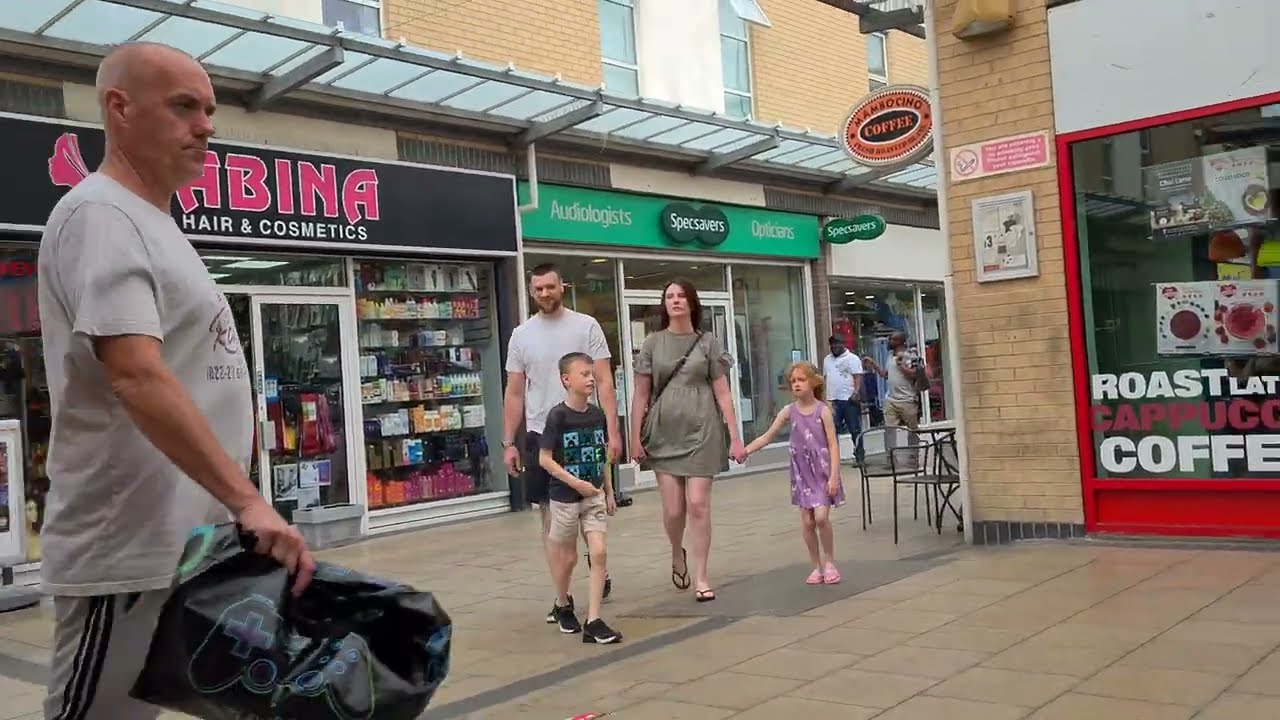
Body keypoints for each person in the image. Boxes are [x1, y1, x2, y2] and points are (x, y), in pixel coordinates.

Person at [36, 43, 313, 719]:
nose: (207, 126)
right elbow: (136, 375)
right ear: (119, 109)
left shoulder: (154, 223)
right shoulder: (101, 215)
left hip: (180, 550)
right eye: (184, 106)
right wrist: (249, 501)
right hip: (125, 550)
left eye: (210, 109)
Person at [503, 263, 621, 625]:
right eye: (537, 289)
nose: (544, 294)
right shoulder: (521, 335)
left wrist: (613, 434)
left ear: (562, 286)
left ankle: (594, 567)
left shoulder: (586, 326)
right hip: (543, 436)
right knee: (551, 522)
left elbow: (603, 382)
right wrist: (509, 441)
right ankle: (562, 597)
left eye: (550, 287)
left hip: (585, 434)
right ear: (530, 291)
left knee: (590, 513)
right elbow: (515, 392)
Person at [630, 279, 745, 602]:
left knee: (697, 504)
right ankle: (676, 551)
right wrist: (634, 439)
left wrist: (735, 436)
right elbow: (640, 395)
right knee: (673, 510)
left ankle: (702, 575)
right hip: (664, 431)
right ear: (663, 304)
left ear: (692, 303)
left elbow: (723, 393)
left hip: (703, 428)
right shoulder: (653, 343)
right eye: (670, 296)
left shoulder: (708, 343)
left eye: (681, 296)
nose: (676, 301)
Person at [538, 352, 621, 644]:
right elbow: (544, 459)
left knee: (598, 552)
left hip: (594, 496)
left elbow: (602, 457)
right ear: (566, 380)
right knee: (569, 557)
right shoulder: (557, 416)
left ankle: (594, 620)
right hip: (564, 498)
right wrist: (575, 483)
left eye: (591, 374)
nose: (590, 379)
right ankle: (562, 603)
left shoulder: (597, 414)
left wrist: (608, 491)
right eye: (584, 374)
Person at [744, 362, 844, 585]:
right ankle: (816, 566)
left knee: (821, 517)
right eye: (793, 381)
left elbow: (833, 444)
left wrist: (834, 476)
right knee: (807, 522)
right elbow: (768, 436)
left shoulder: (823, 411)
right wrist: (746, 450)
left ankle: (830, 562)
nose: (797, 385)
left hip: (822, 472)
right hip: (802, 473)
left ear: (813, 382)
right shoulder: (789, 411)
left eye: (801, 380)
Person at [866, 331, 922, 429]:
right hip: (891, 400)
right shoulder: (890, 355)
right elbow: (886, 375)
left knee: (912, 432)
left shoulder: (909, 355)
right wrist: (874, 365)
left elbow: (914, 374)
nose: (889, 341)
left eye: (891, 339)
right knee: (891, 431)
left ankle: (915, 444)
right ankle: (894, 445)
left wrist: (900, 365)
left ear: (899, 341)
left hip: (907, 400)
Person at [822, 335, 864, 463]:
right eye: (832, 345)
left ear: (843, 344)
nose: (834, 347)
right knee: (832, 430)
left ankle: (860, 457)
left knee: (854, 429)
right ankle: (833, 459)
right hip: (833, 400)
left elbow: (858, 376)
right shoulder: (827, 360)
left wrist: (855, 393)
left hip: (848, 399)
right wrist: (825, 397)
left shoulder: (852, 358)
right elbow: (825, 378)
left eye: (836, 344)